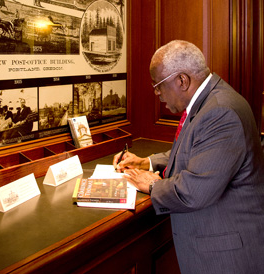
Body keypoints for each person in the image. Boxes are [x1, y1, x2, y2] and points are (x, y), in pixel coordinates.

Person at [113, 40, 264, 274]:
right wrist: (147, 162)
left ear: (182, 80)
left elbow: (195, 191)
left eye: (158, 85)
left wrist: (152, 183)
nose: (156, 92)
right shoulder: (211, 101)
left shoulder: (220, 112)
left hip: (227, 257)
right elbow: (196, 151)